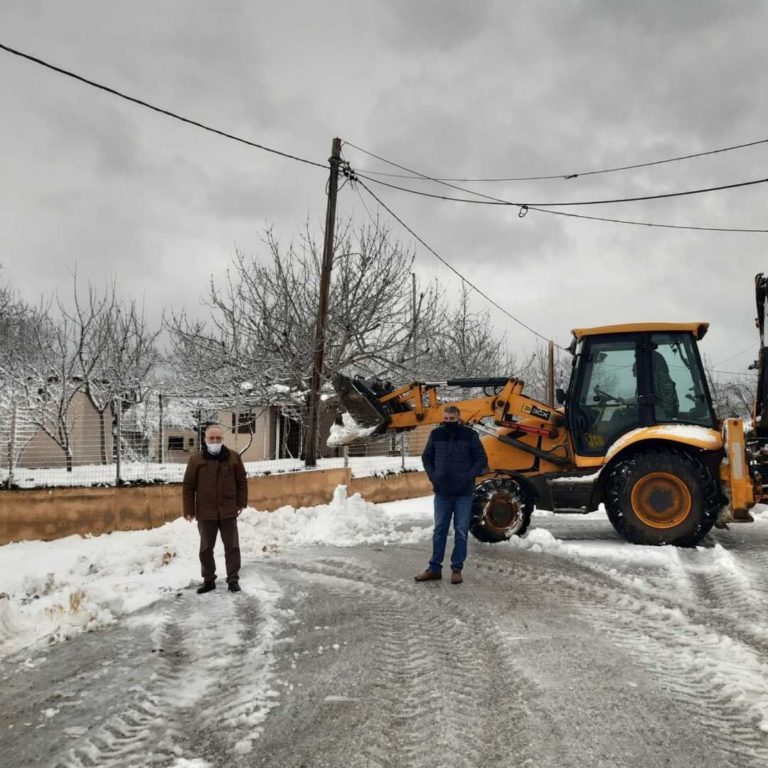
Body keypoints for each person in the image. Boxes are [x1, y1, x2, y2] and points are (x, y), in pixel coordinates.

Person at [416, 405, 488, 585]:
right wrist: (434, 476)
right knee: (439, 530)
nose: (448, 422)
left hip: (463, 492)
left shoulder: (470, 435)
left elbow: (481, 459)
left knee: (461, 531)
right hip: (442, 492)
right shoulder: (436, 434)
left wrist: (468, 477)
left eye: (451, 419)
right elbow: (426, 457)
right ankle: (434, 568)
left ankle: (457, 569)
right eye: (446, 419)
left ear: (458, 418)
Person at [183, 424, 248, 593]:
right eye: (211, 438)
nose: (215, 441)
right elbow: (188, 487)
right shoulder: (196, 460)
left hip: (228, 511)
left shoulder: (233, 458)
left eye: (218, 438)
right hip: (206, 512)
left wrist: (241, 503)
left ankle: (233, 580)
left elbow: (241, 481)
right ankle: (208, 580)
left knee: (232, 547)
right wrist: (189, 510)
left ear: (222, 440)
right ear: (205, 440)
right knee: (205, 549)